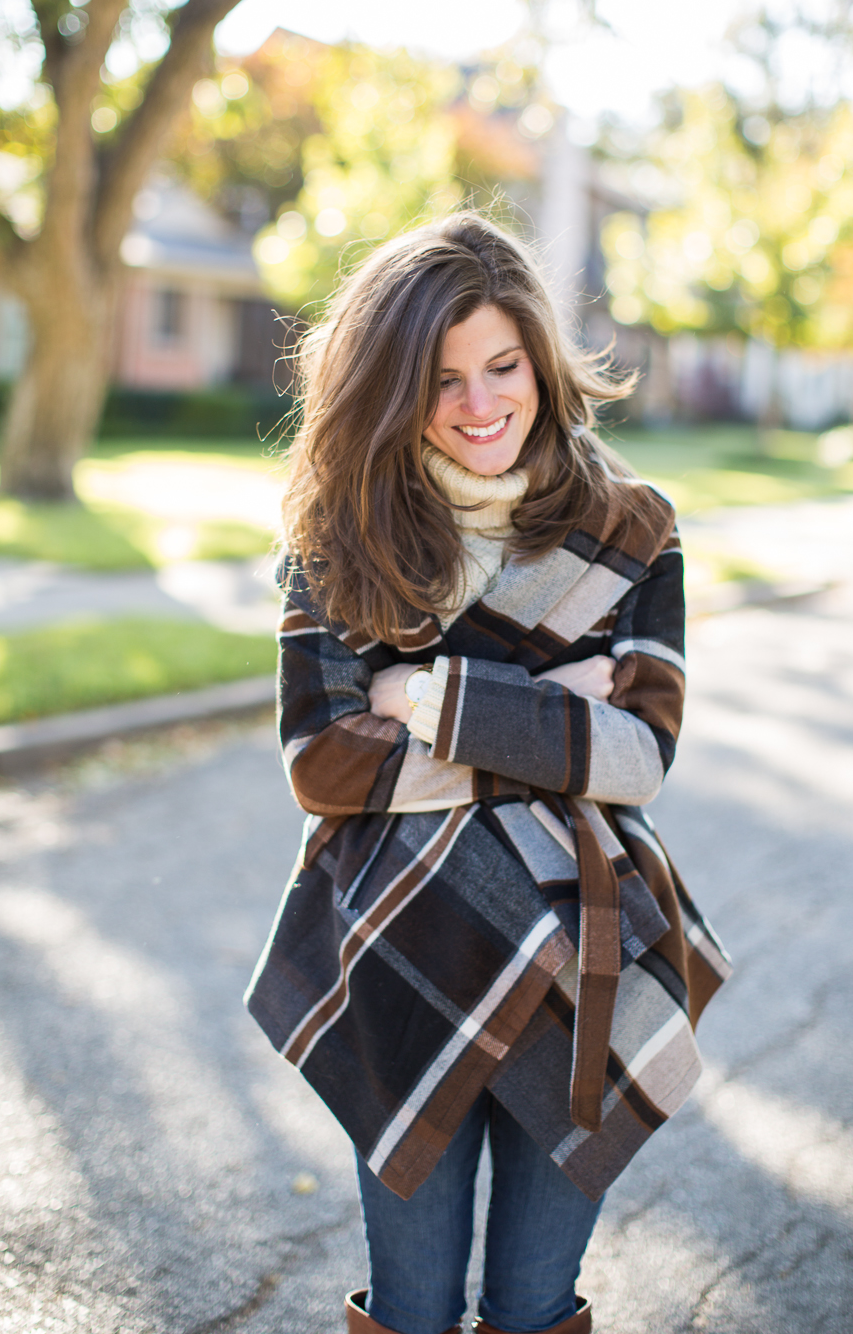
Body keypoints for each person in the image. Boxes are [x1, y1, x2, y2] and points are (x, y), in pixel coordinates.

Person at [246, 213, 731, 1334]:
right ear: (391, 386)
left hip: (583, 954)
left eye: (502, 366)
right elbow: (323, 766)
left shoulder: (632, 528)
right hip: (406, 949)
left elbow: (638, 758)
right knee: (410, 1308)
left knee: (532, 1303)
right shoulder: (338, 536)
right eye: (443, 379)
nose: (480, 405)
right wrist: (549, 714)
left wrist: (417, 698)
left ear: (540, 363)